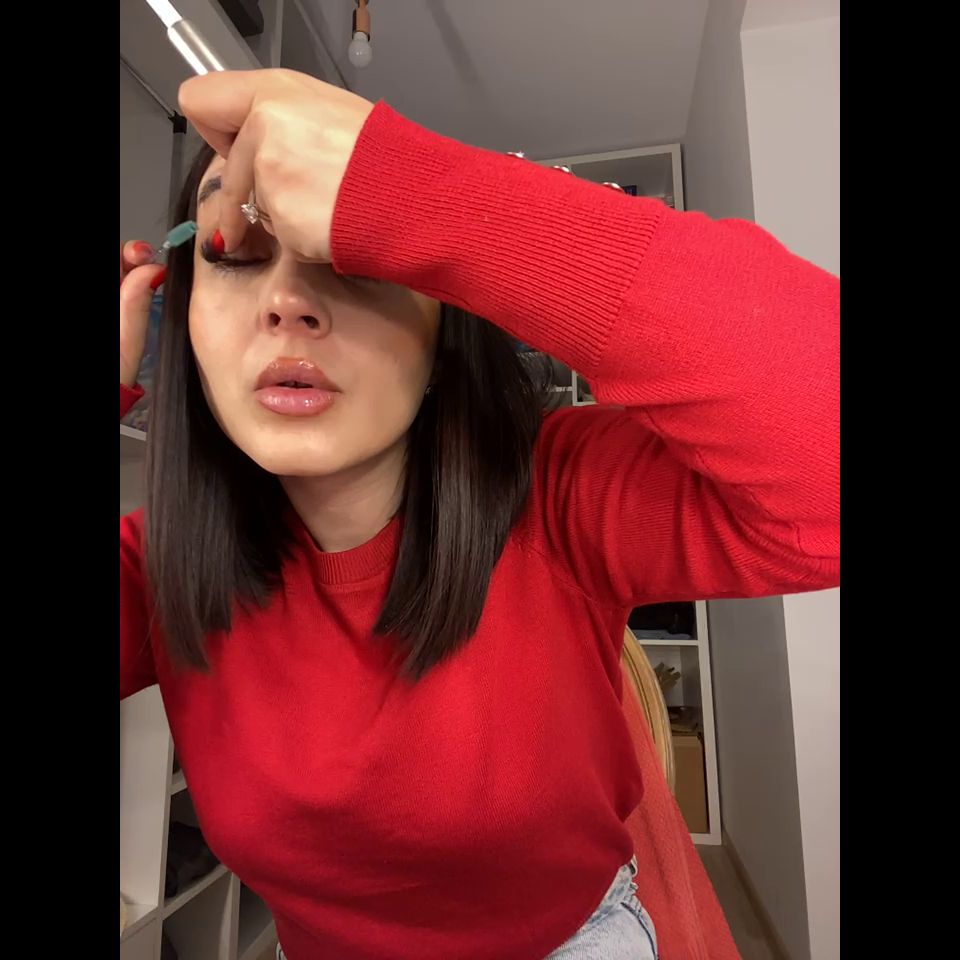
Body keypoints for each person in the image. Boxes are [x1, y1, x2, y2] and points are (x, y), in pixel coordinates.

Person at [120, 69, 839, 960]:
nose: (286, 303)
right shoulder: (162, 566)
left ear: (444, 326)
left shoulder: (562, 499)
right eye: (233, 252)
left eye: (356, 262)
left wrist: (424, 198)